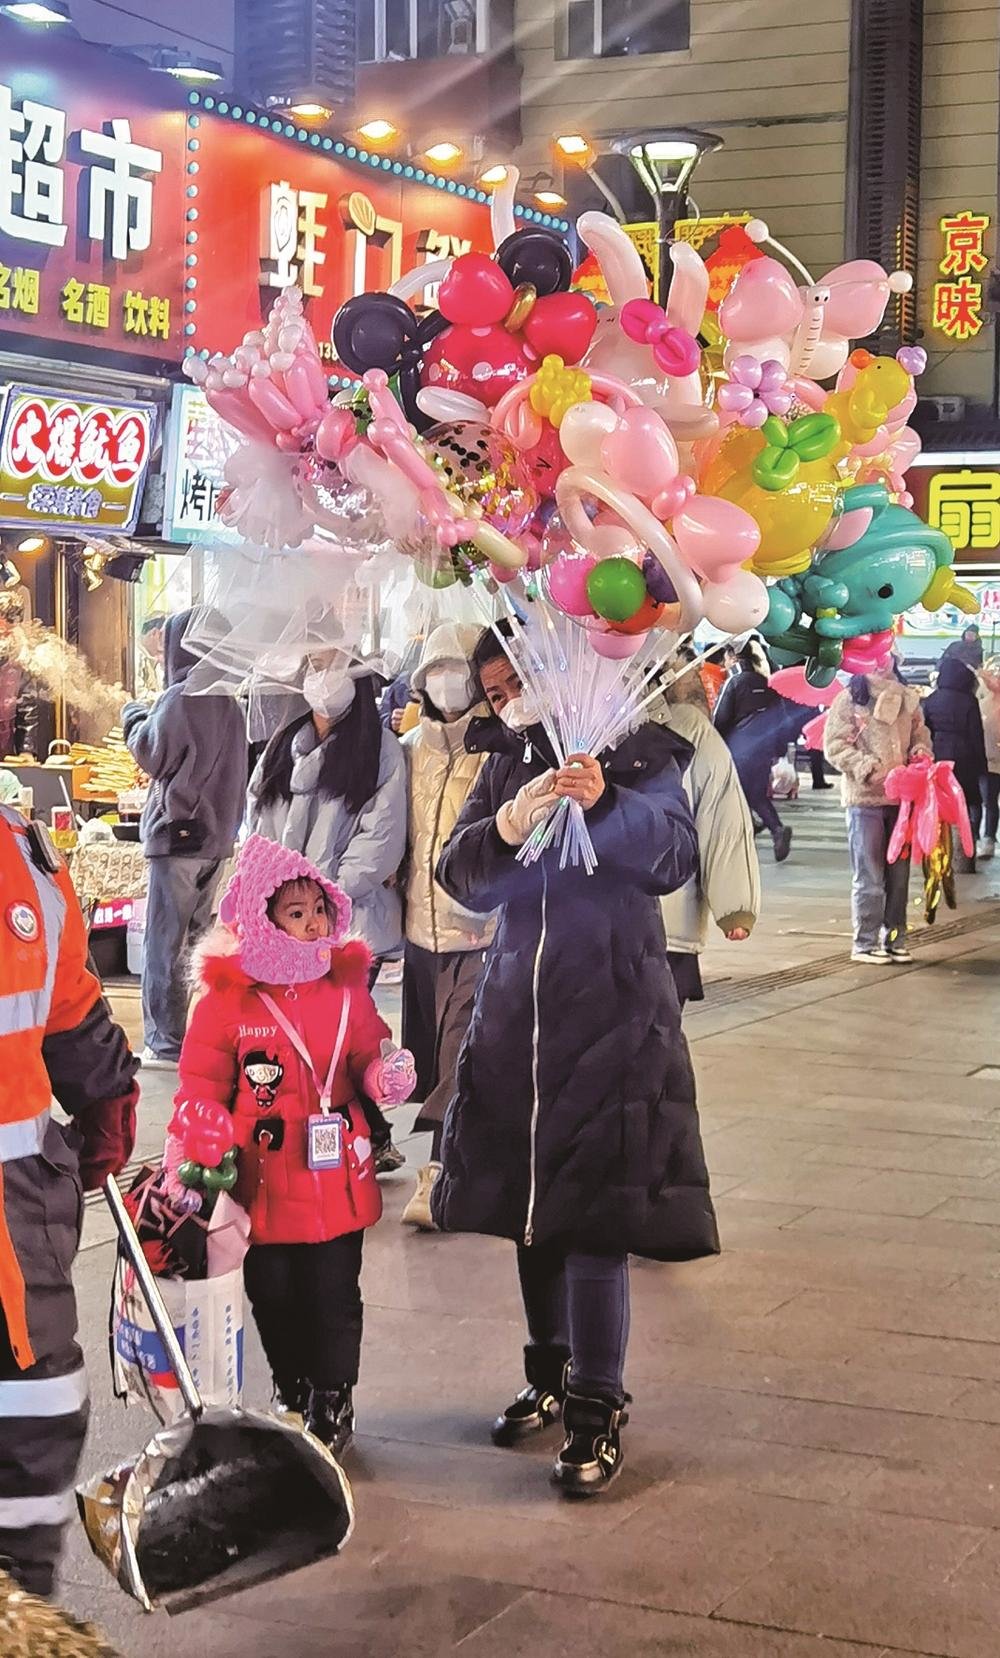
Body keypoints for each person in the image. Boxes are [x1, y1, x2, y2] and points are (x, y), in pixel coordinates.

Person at [430, 626, 718, 1496]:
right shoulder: (508, 759)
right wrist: (510, 823)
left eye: (513, 681)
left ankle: (596, 1408)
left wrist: (605, 807)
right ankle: (548, 1374)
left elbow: (672, 856)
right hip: (519, 1013)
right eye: (492, 690)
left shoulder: (642, 754)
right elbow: (461, 874)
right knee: (533, 1212)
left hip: (617, 1017)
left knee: (597, 1220)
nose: (503, 699)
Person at [175, 834, 415, 1454]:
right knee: (273, 1293)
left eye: (318, 910)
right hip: (261, 1181)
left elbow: (368, 1047)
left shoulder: (344, 985)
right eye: (295, 912)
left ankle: (334, 1396)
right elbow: (201, 1081)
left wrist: (383, 1072)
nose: (313, 925)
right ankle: (291, 1386)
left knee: (335, 1293)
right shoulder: (227, 999)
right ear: (261, 918)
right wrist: (202, 1122)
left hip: (336, 1173)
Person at [0, 803, 138, 1598]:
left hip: (19, 1231)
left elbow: (63, 991)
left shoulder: (21, 851)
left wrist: (105, 1084)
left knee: (35, 1418)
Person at [247, 655, 407, 1172]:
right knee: (304, 1037)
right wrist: (274, 904)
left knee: (346, 1030)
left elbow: (380, 842)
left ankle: (364, 1136)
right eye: (315, 663)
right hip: (282, 927)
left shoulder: (378, 750)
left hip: (350, 925)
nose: (323, 673)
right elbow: (255, 828)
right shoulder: (282, 746)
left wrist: (319, 904)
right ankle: (334, 1138)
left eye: (334, 663)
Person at [399, 623, 493, 1229]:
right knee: (434, 1056)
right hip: (419, 931)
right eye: (435, 669)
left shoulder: (500, 748)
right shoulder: (409, 749)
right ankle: (464, 1161)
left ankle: (438, 1173)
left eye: (456, 667)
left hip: (479, 930)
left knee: (461, 1051)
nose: (446, 680)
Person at [123, 609, 247, 1069]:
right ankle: (190, 1031)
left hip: (177, 841)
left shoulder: (181, 696)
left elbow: (151, 752)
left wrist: (133, 715)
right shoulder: (231, 702)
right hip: (215, 844)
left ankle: (164, 1040)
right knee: (194, 941)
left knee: (163, 942)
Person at [652, 653, 760, 1005]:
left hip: (668, 929)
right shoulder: (581, 726)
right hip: (589, 931)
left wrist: (734, 904)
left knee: (656, 1045)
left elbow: (721, 815)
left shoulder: (689, 728)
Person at [824, 667, 932, 963]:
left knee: (898, 877)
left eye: (887, 654)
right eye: (874, 657)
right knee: (869, 875)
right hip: (865, 800)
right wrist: (866, 767)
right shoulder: (849, 699)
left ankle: (895, 938)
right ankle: (865, 943)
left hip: (902, 799)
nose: (882, 662)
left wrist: (920, 754)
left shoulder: (909, 699)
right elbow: (833, 745)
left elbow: (921, 736)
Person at [713, 640, 793, 862]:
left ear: (734, 657)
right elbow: (781, 720)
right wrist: (779, 750)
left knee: (735, 793)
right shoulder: (767, 684)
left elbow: (720, 719)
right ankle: (773, 828)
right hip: (763, 750)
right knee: (755, 793)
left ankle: (749, 832)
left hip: (739, 749)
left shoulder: (734, 683)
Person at [924, 655, 989, 872]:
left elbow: (925, 731)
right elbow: (976, 734)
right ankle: (967, 852)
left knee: (940, 805)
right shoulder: (969, 701)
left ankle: (939, 852)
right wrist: (982, 765)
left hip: (938, 758)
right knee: (971, 802)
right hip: (965, 757)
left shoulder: (932, 699)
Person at [0, 592, 38, 760]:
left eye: (8, 632)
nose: (4, 637)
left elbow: (27, 704)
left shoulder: (21, 656)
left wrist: (26, 748)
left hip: (5, 739)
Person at [977, 658, 1000, 860]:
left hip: (990, 760)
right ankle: (987, 839)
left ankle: (987, 838)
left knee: (988, 801)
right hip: (988, 762)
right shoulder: (982, 704)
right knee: (988, 801)